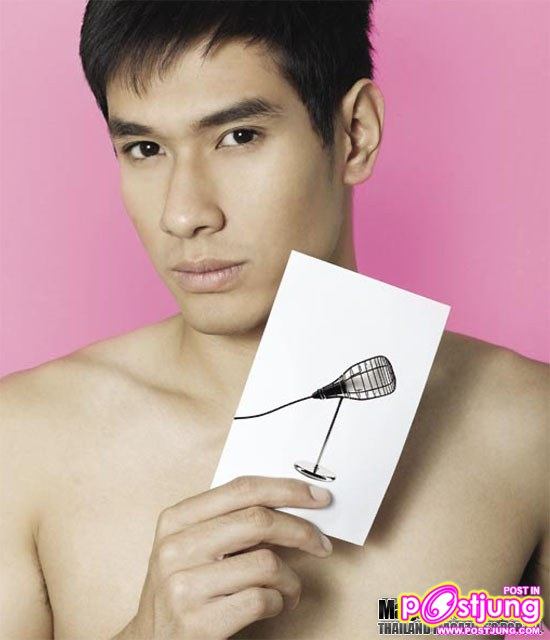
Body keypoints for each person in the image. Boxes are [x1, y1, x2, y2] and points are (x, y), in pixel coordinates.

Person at [1, 1, 547, 638]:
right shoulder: (22, 444)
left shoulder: (527, 428)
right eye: (145, 148)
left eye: (239, 136)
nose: (184, 214)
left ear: (355, 134)